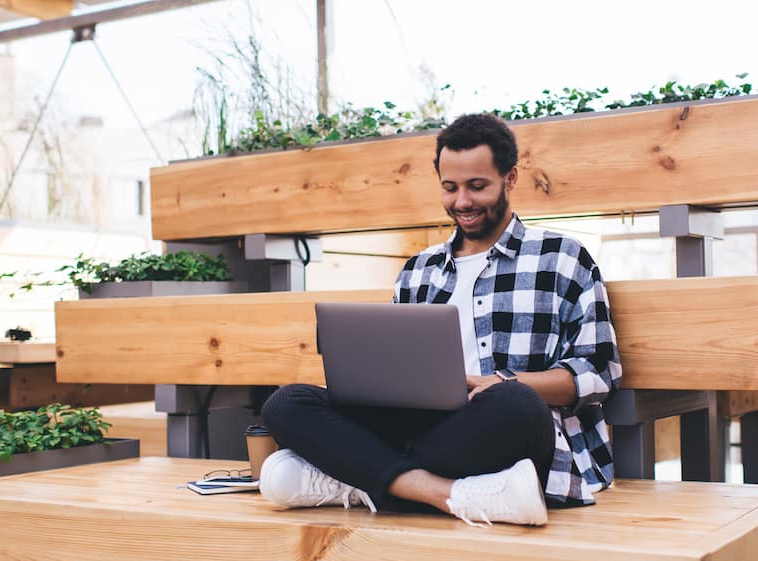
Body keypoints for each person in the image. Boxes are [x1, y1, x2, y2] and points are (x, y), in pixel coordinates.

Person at [258, 113, 622, 527]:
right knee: (287, 402)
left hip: (498, 426)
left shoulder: (562, 257)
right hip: (421, 428)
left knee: (517, 404)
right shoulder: (418, 269)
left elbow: (598, 373)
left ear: (510, 178)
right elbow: (391, 371)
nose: (462, 202)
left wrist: (503, 383)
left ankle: (357, 480)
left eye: (477, 186)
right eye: (450, 188)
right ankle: (447, 494)